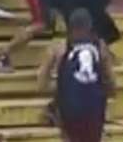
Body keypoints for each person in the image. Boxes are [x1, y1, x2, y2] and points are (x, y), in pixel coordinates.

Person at [37, 8, 115, 142]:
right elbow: (112, 83)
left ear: (69, 27)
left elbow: (41, 84)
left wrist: (60, 89)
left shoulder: (58, 48)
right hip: (94, 109)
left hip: (69, 109)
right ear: (90, 27)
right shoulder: (100, 47)